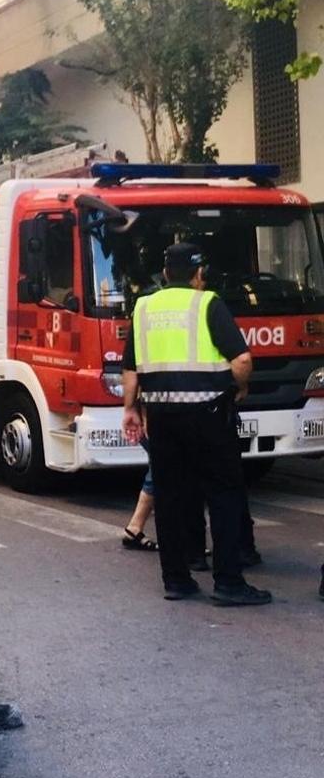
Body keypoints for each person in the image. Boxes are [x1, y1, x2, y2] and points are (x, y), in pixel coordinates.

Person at [121, 242, 271, 606]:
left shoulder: (143, 308)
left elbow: (131, 368)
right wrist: (241, 387)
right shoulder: (208, 303)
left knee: (171, 498)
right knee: (224, 494)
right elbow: (242, 360)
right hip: (208, 417)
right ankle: (229, 582)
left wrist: (130, 409)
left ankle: (177, 580)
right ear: (198, 273)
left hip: (161, 419)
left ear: (165, 272)